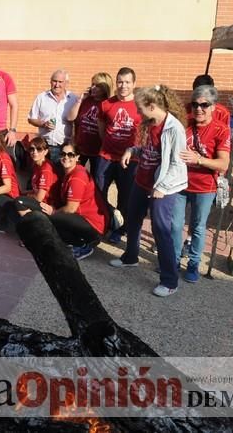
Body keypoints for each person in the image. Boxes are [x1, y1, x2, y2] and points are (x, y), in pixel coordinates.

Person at [109, 85, 187, 299]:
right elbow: (150, 151)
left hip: (164, 187)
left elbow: (177, 163)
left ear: (152, 106)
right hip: (142, 180)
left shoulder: (174, 128)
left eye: (140, 108)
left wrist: (162, 187)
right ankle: (130, 257)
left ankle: (170, 280)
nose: (138, 112)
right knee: (132, 219)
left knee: (161, 230)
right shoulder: (151, 124)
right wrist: (131, 150)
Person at [172, 85, 231, 283]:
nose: (198, 109)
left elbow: (223, 163)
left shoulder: (220, 130)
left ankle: (193, 265)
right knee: (175, 224)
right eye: (195, 104)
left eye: (204, 105)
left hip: (205, 187)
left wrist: (199, 160)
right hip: (180, 184)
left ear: (213, 107)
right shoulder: (184, 123)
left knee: (197, 227)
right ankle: (172, 261)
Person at [16, 140, 109, 261]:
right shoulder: (69, 172)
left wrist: (54, 211)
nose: (66, 157)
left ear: (77, 157)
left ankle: (84, 244)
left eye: (70, 155)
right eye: (63, 154)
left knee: (49, 218)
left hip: (92, 225)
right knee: (51, 225)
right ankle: (73, 240)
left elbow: (71, 208)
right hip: (82, 219)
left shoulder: (77, 176)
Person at [96, 67, 141, 244]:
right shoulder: (107, 104)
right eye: (120, 82)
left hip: (130, 160)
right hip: (106, 156)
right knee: (99, 192)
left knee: (126, 196)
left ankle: (121, 229)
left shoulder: (140, 105)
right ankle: (103, 223)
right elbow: (101, 127)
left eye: (127, 82)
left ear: (134, 84)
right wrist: (107, 143)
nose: (123, 86)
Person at [26, 70, 78, 163]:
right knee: (44, 174)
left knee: (61, 175)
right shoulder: (41, 97)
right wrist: (43, 124)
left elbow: (77, 122)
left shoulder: (73, 99)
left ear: (66, 83)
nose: (57, 84)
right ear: (50, 82)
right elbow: (31, 119)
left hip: (64, 147)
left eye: (60, 82)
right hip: (44, 147)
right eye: (54, 81)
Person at [69, 72, 113, 175]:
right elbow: (71, 118)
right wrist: (80, 100)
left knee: (94, 181)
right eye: (92, 84)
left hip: (97, 151)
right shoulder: (86, 101)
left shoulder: (108, 104)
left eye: (97, 86)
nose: (93, 87)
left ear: (105, 88)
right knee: (75, 175)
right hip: (80, 148)